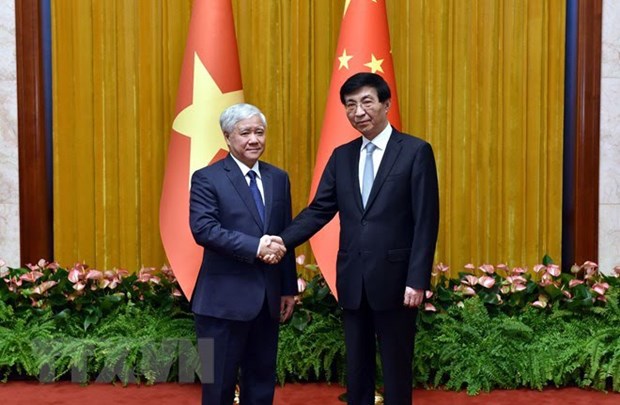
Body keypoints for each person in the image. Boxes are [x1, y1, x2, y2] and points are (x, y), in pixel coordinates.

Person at [272, 72, 440, 404]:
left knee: (396, 366)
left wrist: (417, 279)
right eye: (350, 105)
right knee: (357, 367)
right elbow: (319, 210)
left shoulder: (415, 151)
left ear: (386, 104)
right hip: (352, 279)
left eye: (366, 102)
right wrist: (281, 241)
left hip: (397, 280)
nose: (358, 111)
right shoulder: (342, 156)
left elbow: (426, 221)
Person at [189, 103, 297, 405]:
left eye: (259, 132)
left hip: (267, 301)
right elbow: (204, 230)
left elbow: (285, 234)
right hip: (220, 304)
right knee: (217, 388)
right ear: (227, 136)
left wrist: (287, 287)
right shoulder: (206, 178)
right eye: (245, 132)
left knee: (261, 385)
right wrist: (256, 247)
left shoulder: (278, 178)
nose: (254, 140)